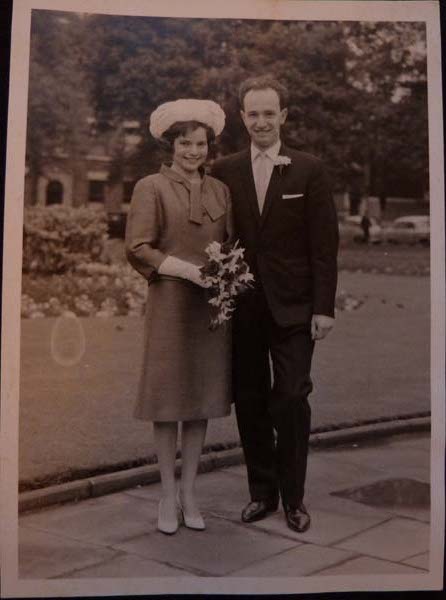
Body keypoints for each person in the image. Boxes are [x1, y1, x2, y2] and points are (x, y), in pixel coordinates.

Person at [212, 76, 339, 533]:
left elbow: (324, 246)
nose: (262, 121)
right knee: (249, 399)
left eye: (270, 113)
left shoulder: (309, 169)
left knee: (290, 397)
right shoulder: (224, 170)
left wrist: (324, 308)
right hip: (245, 307)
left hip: (295, 308)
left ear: (283, 116)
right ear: (242, 118)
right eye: (254, 114)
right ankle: (261, 493)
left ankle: (294, 498)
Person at [125, 99, 232, 535]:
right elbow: (138, 247)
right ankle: (167, 494)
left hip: (209, 308)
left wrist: (227, 274)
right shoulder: (150, 187)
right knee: (168, 400)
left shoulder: (220, 190)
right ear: (171, 145)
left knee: (201, 398)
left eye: (200, 143)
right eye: (185, 143)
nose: (193, 151)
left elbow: (231, 245)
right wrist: (186, 271)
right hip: (170, 302)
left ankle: (190, 493)